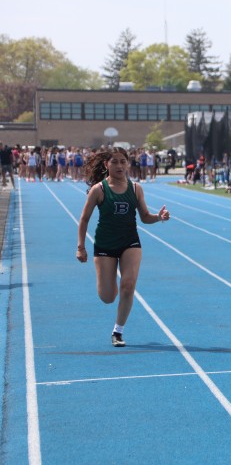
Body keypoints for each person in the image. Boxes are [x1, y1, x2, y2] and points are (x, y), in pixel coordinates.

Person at [76, 147, 170, 347]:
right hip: (105, 244)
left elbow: (145, 217)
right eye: (115, 162)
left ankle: (118, 331)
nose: (119, 165)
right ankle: (108, 282)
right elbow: (84, 219)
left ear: (128, 164)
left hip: (130, 242)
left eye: (123, 161)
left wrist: (159, 217)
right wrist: (81, 247)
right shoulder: (99, 190)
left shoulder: (136, 188)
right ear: (106, 164)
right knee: (108, 297)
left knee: (128, 285)